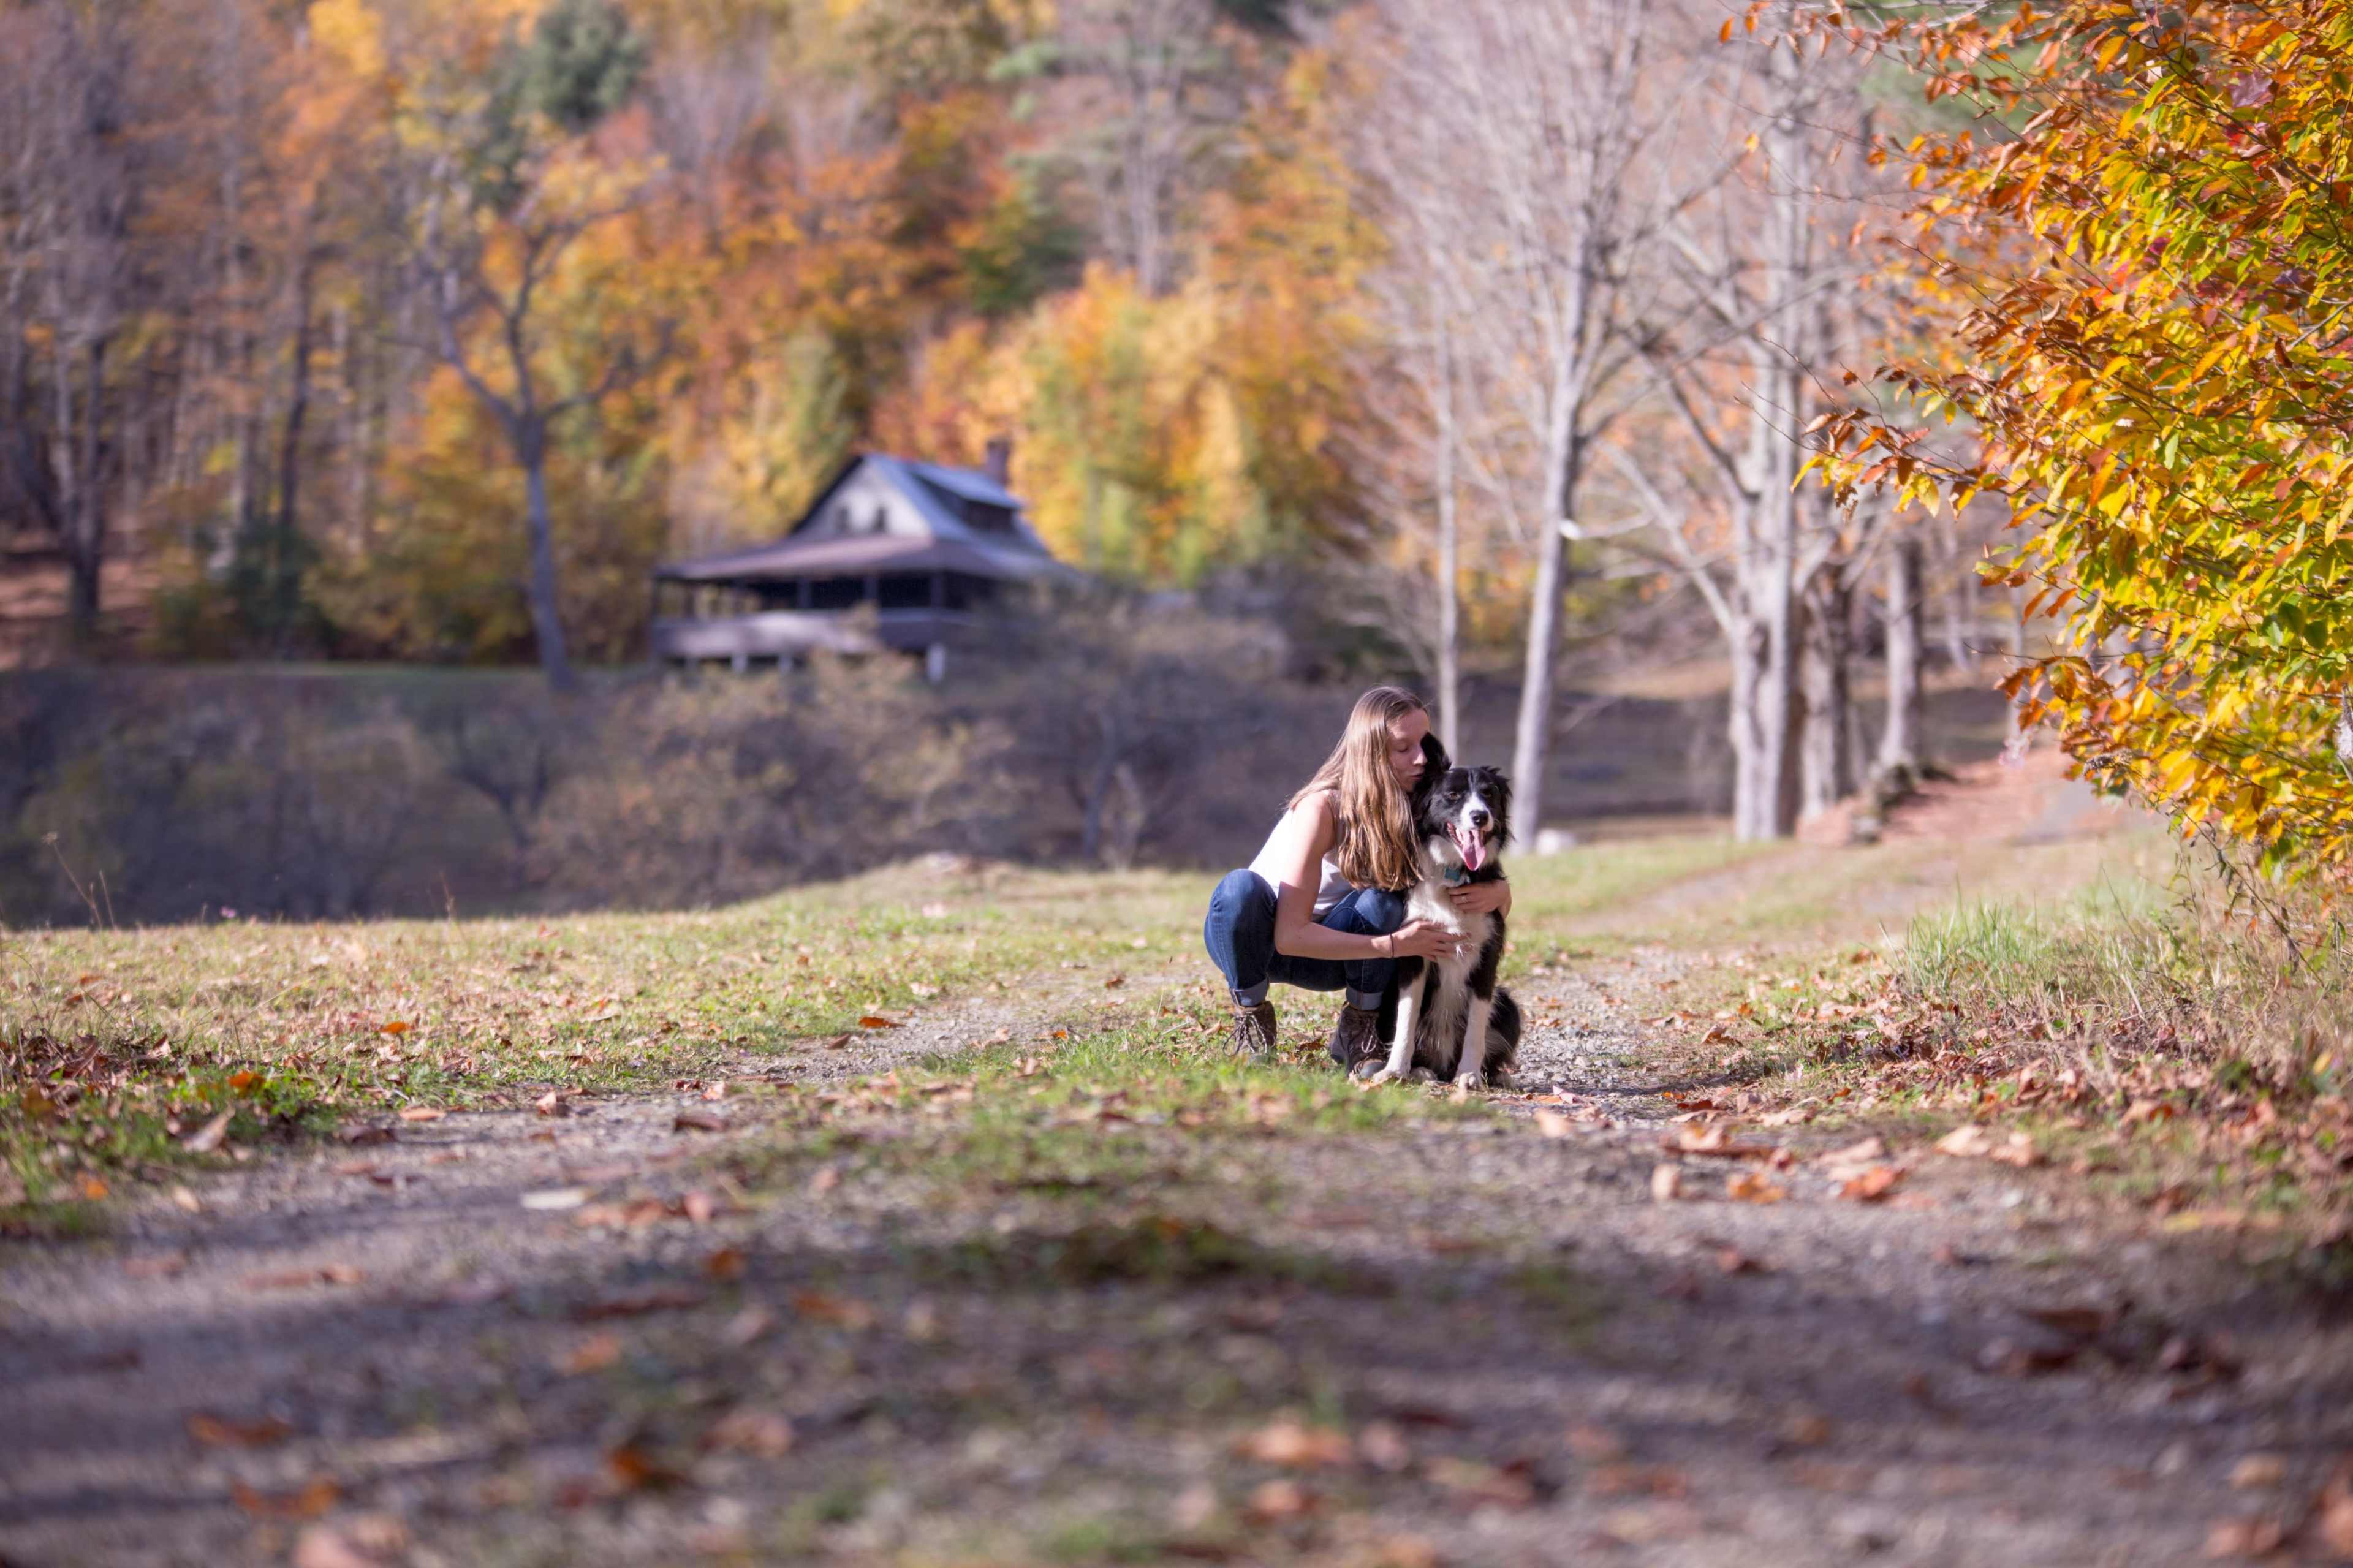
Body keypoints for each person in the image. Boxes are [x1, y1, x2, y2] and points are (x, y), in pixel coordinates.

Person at [1200, 686, 1512, 1069]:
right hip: (1261, 946)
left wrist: (1499, 892)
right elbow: (1289, 935)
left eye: (1423, 743)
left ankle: (1358, 1027)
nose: (1420, 758)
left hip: (1336, 955)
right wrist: (1393, 945)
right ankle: (1252, 1019)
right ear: (1371, 752)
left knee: (1383, 900)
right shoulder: (1322, 807)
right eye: (1403, 748)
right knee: (1239, 888)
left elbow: (1465, 891)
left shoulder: (1412, 806)